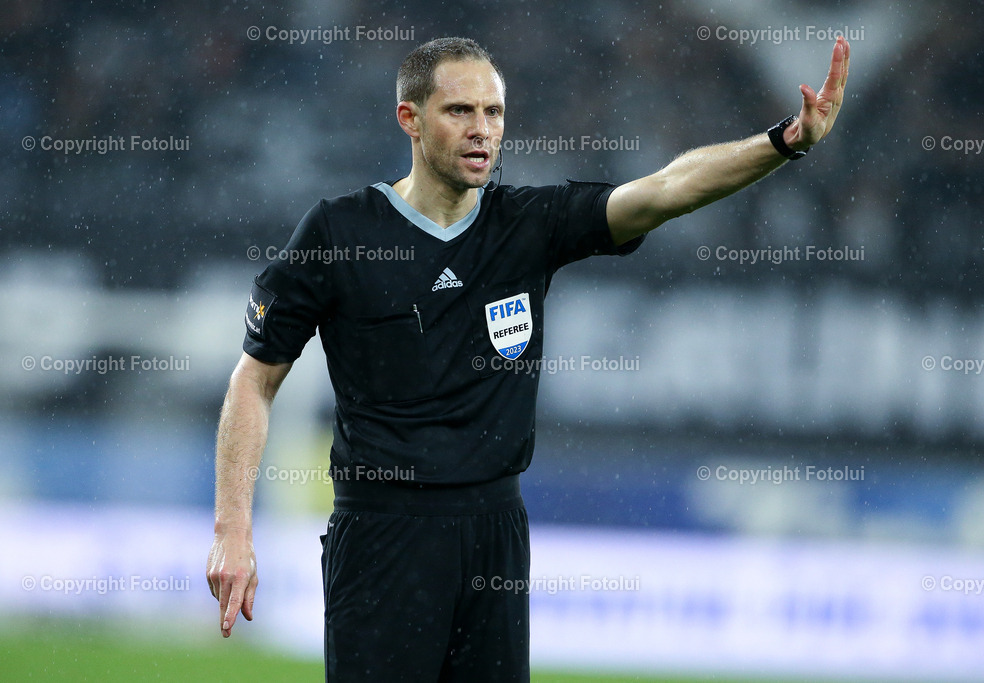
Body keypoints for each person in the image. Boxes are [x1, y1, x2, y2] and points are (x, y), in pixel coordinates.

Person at [207, 35, 851, 682]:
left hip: (496, 530)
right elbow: (254, 380)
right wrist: (233, 528)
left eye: (494, 113)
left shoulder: (528, 225)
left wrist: (785, 141)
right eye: (460, 111)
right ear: (410, 119)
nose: (482, 130)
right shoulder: (339, 233)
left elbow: (666, 189)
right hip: (383, 534)